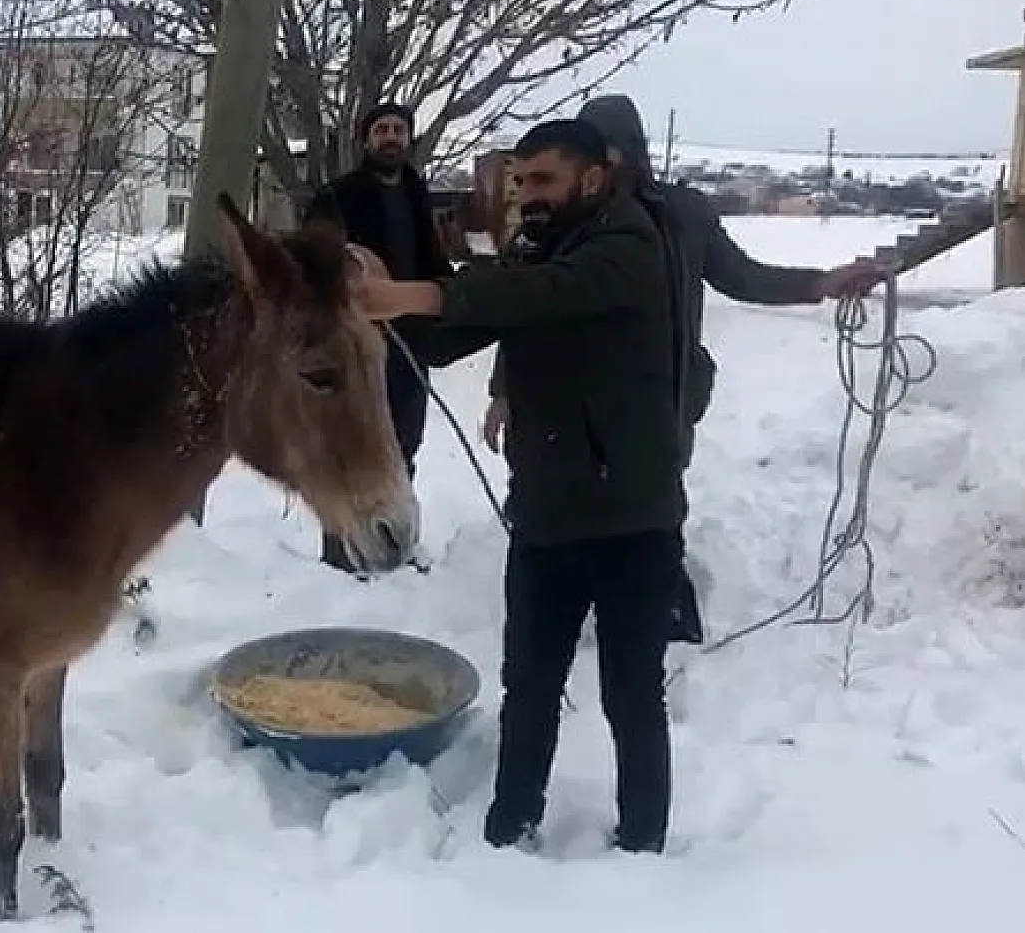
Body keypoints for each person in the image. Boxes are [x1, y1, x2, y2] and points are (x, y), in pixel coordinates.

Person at [351, 117, 686, 854]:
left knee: (631, 696)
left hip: (632, 520)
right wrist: (372, 312)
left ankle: (645, 845)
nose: (525, 195)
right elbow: (461, 328)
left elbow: (537, 297)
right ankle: (509, 828)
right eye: (519, 180)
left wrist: (412, 295)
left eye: (543, 180)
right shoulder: (537, 249)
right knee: (528, 689)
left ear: (592, 179)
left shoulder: (627, 247)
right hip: (544, 519)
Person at [479, 94, 883, 644]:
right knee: (569, 501)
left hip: (663, 394)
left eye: (613, 150)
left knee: (653, 507)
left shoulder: (681, 215)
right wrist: (505, 389)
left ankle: (665, 613)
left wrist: (819, 282)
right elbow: (526, 307)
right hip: (568, 401)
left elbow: (742, 276)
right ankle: (577, 601)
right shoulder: (558, 226)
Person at [303, 101, 456, 576]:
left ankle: (394, 539)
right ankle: (339, 547)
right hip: (357, 341)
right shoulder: (338, 196)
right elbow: (314, 264)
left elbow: (433, 262)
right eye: (381, 130)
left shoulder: (416, 193)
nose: (391, 137)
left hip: (409, 337)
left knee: (404, 438)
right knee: (351, 440)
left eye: (398, 130)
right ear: (365, 140)